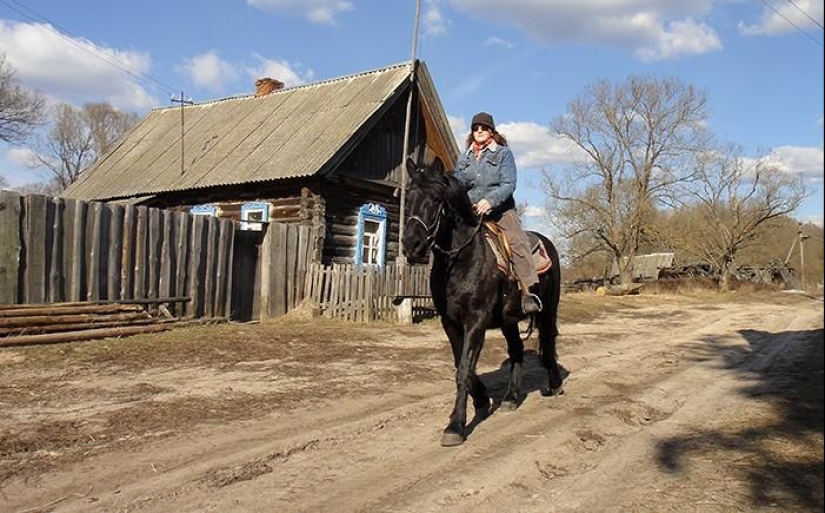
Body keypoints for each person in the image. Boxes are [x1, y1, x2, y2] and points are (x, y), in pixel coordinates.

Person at [453, 111, 542, 314]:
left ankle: (529, 292)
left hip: (501, 211)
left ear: (491, 131)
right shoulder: (464, 158)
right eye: (476, 128)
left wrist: (490, 201)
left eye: (484, 127)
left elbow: (509, 183)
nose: (480, 131)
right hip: (472, 212)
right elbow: (458, 185)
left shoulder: (503, 153)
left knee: (518, 241)